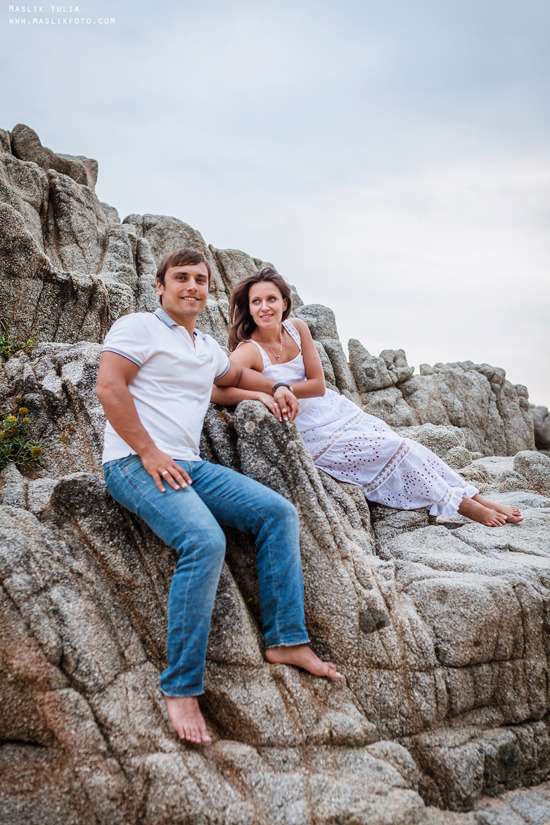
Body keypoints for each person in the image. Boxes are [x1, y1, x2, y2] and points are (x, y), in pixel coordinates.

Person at [95, 249, 341, 746]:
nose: (192, 286)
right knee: (205, 541)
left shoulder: (204, 345)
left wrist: (274, 388)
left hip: (190, 464)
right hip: (133, 463)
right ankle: (181, 686)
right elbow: (108, 386)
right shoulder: (139, 327)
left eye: (201, 280)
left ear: (209, 291)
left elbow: (233, 378)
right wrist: (148, 452)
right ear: (160, 286)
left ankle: (286, 640)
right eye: (181, 278)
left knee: (277, 513)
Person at [211, 267, 523, 528]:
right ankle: (462, 506)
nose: (264, 307)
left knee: (407, 445)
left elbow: (318, 385)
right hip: (308, 431)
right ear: (249, 308)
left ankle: (476, 496)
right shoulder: (249, 350)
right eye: (256, 301)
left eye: (271, 299)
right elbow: (214, 389)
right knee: (396, 449)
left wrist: (284, 388)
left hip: (333, 411)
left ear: (285, 302)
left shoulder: (297, 328)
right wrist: (263, 394)